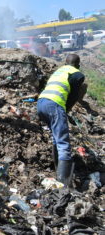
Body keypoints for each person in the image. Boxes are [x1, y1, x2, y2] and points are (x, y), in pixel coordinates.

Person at [37, 54, 87, 187]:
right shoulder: (77, 74)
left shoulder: (59, 71)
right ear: (78, 65)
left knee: (56, 138)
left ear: (65, 63)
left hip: (41, 103)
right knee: (63, 143)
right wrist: (66, 110)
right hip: (55, 104)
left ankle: (58, 171)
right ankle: (64, 185)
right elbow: (74, 96)